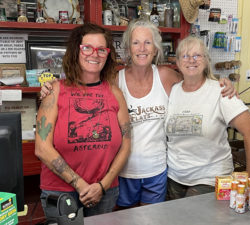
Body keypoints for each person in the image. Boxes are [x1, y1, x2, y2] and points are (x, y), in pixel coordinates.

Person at [40, 19, 237, 208]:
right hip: (122, 172)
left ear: (155, 49)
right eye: (136, 43)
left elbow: (194, 81)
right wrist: (51, 87)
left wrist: (219, 83)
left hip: (158, 171)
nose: (142, 48)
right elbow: (87, 84)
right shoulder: (115, 81)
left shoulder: (167, 77)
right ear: (128, 48)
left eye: (147, 43)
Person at [35, 23, 131, 219]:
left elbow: (126, 144)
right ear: (75, 51)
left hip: (104, 192)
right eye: (87, 48)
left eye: (101, 49)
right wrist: (82, 185)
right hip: (61, 192)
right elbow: (42, 148)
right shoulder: (54, 91)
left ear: (107, 54)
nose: (94, 54)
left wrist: (102, 186)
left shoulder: (115, 92)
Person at [165, 36, 250, 200]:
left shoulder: (220, 91)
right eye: (185, 56)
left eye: (197, 55)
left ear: (206, 61)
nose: (191, 60)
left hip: (211, 178)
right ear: (178, 63)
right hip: (175, 178)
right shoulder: (172, 91)